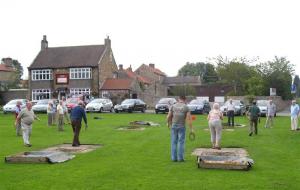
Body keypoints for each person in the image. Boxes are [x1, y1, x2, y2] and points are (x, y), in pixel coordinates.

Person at [167, 95, 194, 162]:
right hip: (182, 126)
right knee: (181, 142)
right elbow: (189, 119)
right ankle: (180, 158)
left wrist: (168, 123)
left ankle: (174, 158)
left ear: (178, 99)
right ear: (185, 100)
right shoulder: (186, 107)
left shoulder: (173, 106)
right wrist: (191, 129)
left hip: (174, 126)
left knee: (173, 142)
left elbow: (168, 116)